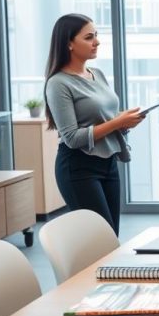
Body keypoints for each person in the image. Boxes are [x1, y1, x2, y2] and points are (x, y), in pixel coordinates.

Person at [44, 14, 144, 235]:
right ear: (68, 43)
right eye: (89, 37)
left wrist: (123, 121)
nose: (97, 41)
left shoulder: (96, 74)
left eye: (96, 35)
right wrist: (117, 121)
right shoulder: (58, 83)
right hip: (79, 168)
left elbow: (102, 118)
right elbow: (72, 138)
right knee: (101, 240)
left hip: (108, 163)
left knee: (111, 236)